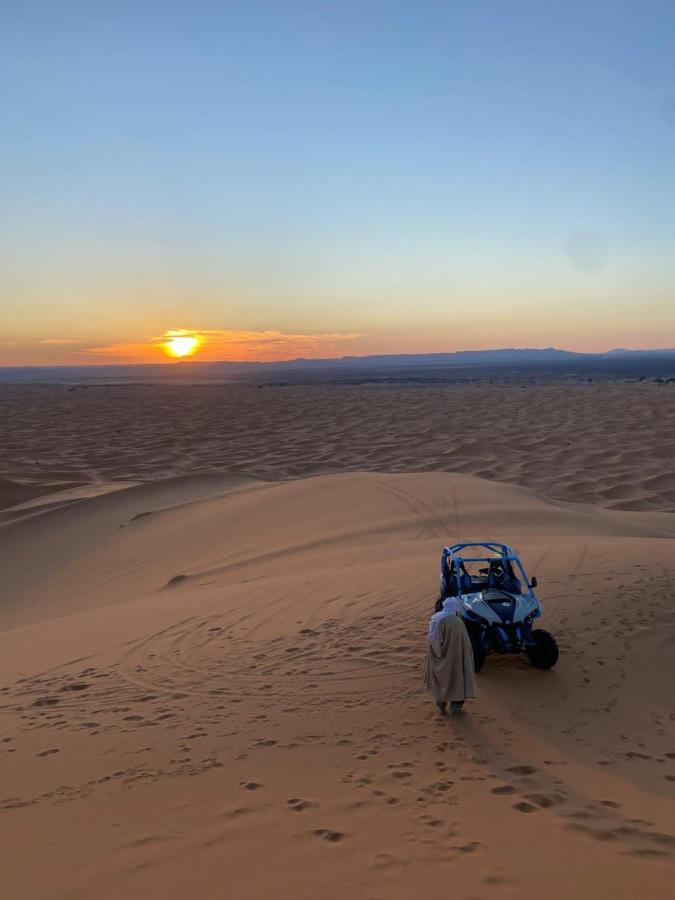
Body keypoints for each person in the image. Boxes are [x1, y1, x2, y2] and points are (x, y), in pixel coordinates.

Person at [425, 595, 476, 714]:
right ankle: (456, 706)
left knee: (441, 680)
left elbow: (433, 641)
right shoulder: (457, 622)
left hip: (438, 657)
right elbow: (465, 643)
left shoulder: (435, 619)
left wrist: (438, 655)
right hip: (455, 658)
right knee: (456, 679)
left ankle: (441, 704)